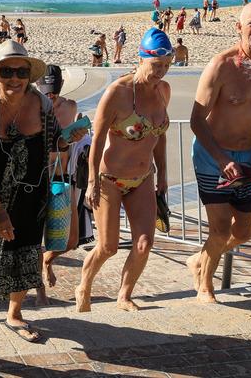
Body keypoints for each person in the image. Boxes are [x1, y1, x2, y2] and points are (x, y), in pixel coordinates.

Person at [0, 41, 86, 342]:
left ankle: (15, 312)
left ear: (29, 75)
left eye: (21, 72)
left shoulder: (41, 104)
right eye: (7, 71)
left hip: (34, 194)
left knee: (28, 252)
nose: (14, 78)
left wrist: (68, 139)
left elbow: (54, 142)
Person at [188, 0, 251, 303]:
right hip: (212, 156)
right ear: (238, 27)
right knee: (219, 229)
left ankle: (199, 258)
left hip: (248, 157)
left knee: (241, 233)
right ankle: (205, 286)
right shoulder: (221, 65)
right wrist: (221, 158)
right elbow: (195, 120)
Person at [76, 28, 172, 313]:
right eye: (157, 66)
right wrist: (92, 181)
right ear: (141, 58)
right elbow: (97, 138)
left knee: (144, 243)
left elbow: (160, 135)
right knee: (108, 247)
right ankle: (85, 285)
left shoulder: (163, 91)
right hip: (109, 180)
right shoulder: (118, 92)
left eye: (167, 66)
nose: (161, 72)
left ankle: (124, 295)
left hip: (143, 178)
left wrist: (163, 175)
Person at [35, 65, 80, 303]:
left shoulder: (70, 107)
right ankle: (39, 290)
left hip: (63, 178)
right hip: (39, 178)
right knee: (36, 238)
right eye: (45, 92)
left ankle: (47, 260)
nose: (49, 97)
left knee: (71, 240)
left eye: (53, 92)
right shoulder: (33, 108)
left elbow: (72, 141)